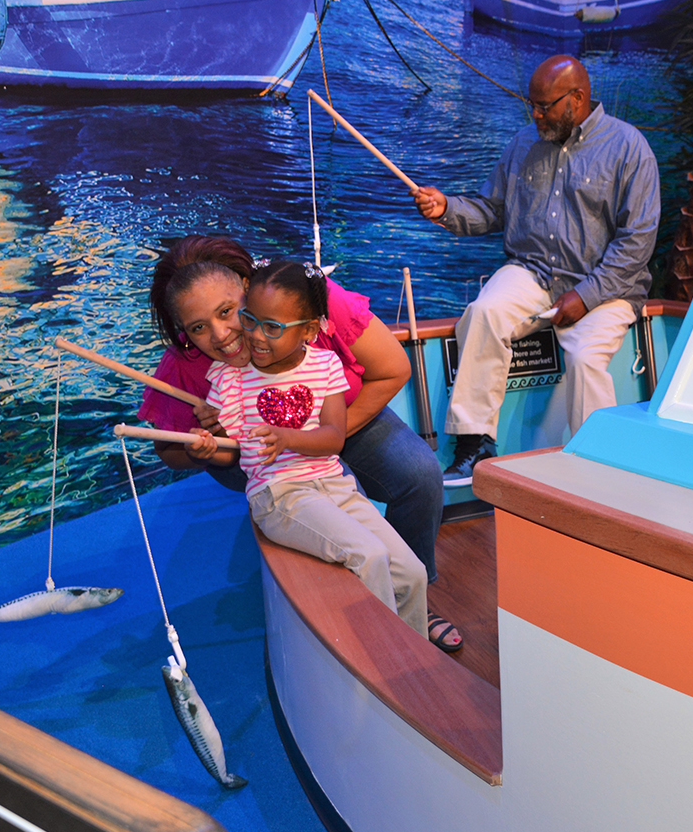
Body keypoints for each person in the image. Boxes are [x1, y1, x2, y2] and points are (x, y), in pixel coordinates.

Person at [142, 240, 462, 651]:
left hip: (338, 422)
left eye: (228, 312)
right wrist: (206, 444)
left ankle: (413, 606)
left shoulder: (308, 298)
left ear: (248, 288)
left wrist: (317, 438)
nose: (221, 336)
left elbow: (392, 370)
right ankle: (375, 644)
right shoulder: (209, 372)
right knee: (362, 544)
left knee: (418, 475)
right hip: (273, 470)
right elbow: (203, 448)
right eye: (197, 327)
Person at [412, 55, 660, 484]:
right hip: (533, 272)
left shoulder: (629, 148)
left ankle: (599, 471)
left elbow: (636, 242)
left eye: (545, 106)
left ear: (577, 98)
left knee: (585, 359)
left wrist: (585, 296)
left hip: (606, 285)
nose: (536, 115)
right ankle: (475, 444)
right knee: (485, 312)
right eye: (532, 105)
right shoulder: (523, 144)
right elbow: (492, 210)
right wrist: (446, 208)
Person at [185, 261, 428, 638]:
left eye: (272, 327)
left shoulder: (326, 364)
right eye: (250, 320)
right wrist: (206, 447)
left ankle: (413, 655)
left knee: (413, 574)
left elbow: (333, 438)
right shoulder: (230, 379)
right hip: (280, 493)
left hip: (336, 487)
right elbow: (229, 451)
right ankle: (379, 655)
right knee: (369, 555)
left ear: (310, 330)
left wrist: (287, 438)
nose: (256, 336)